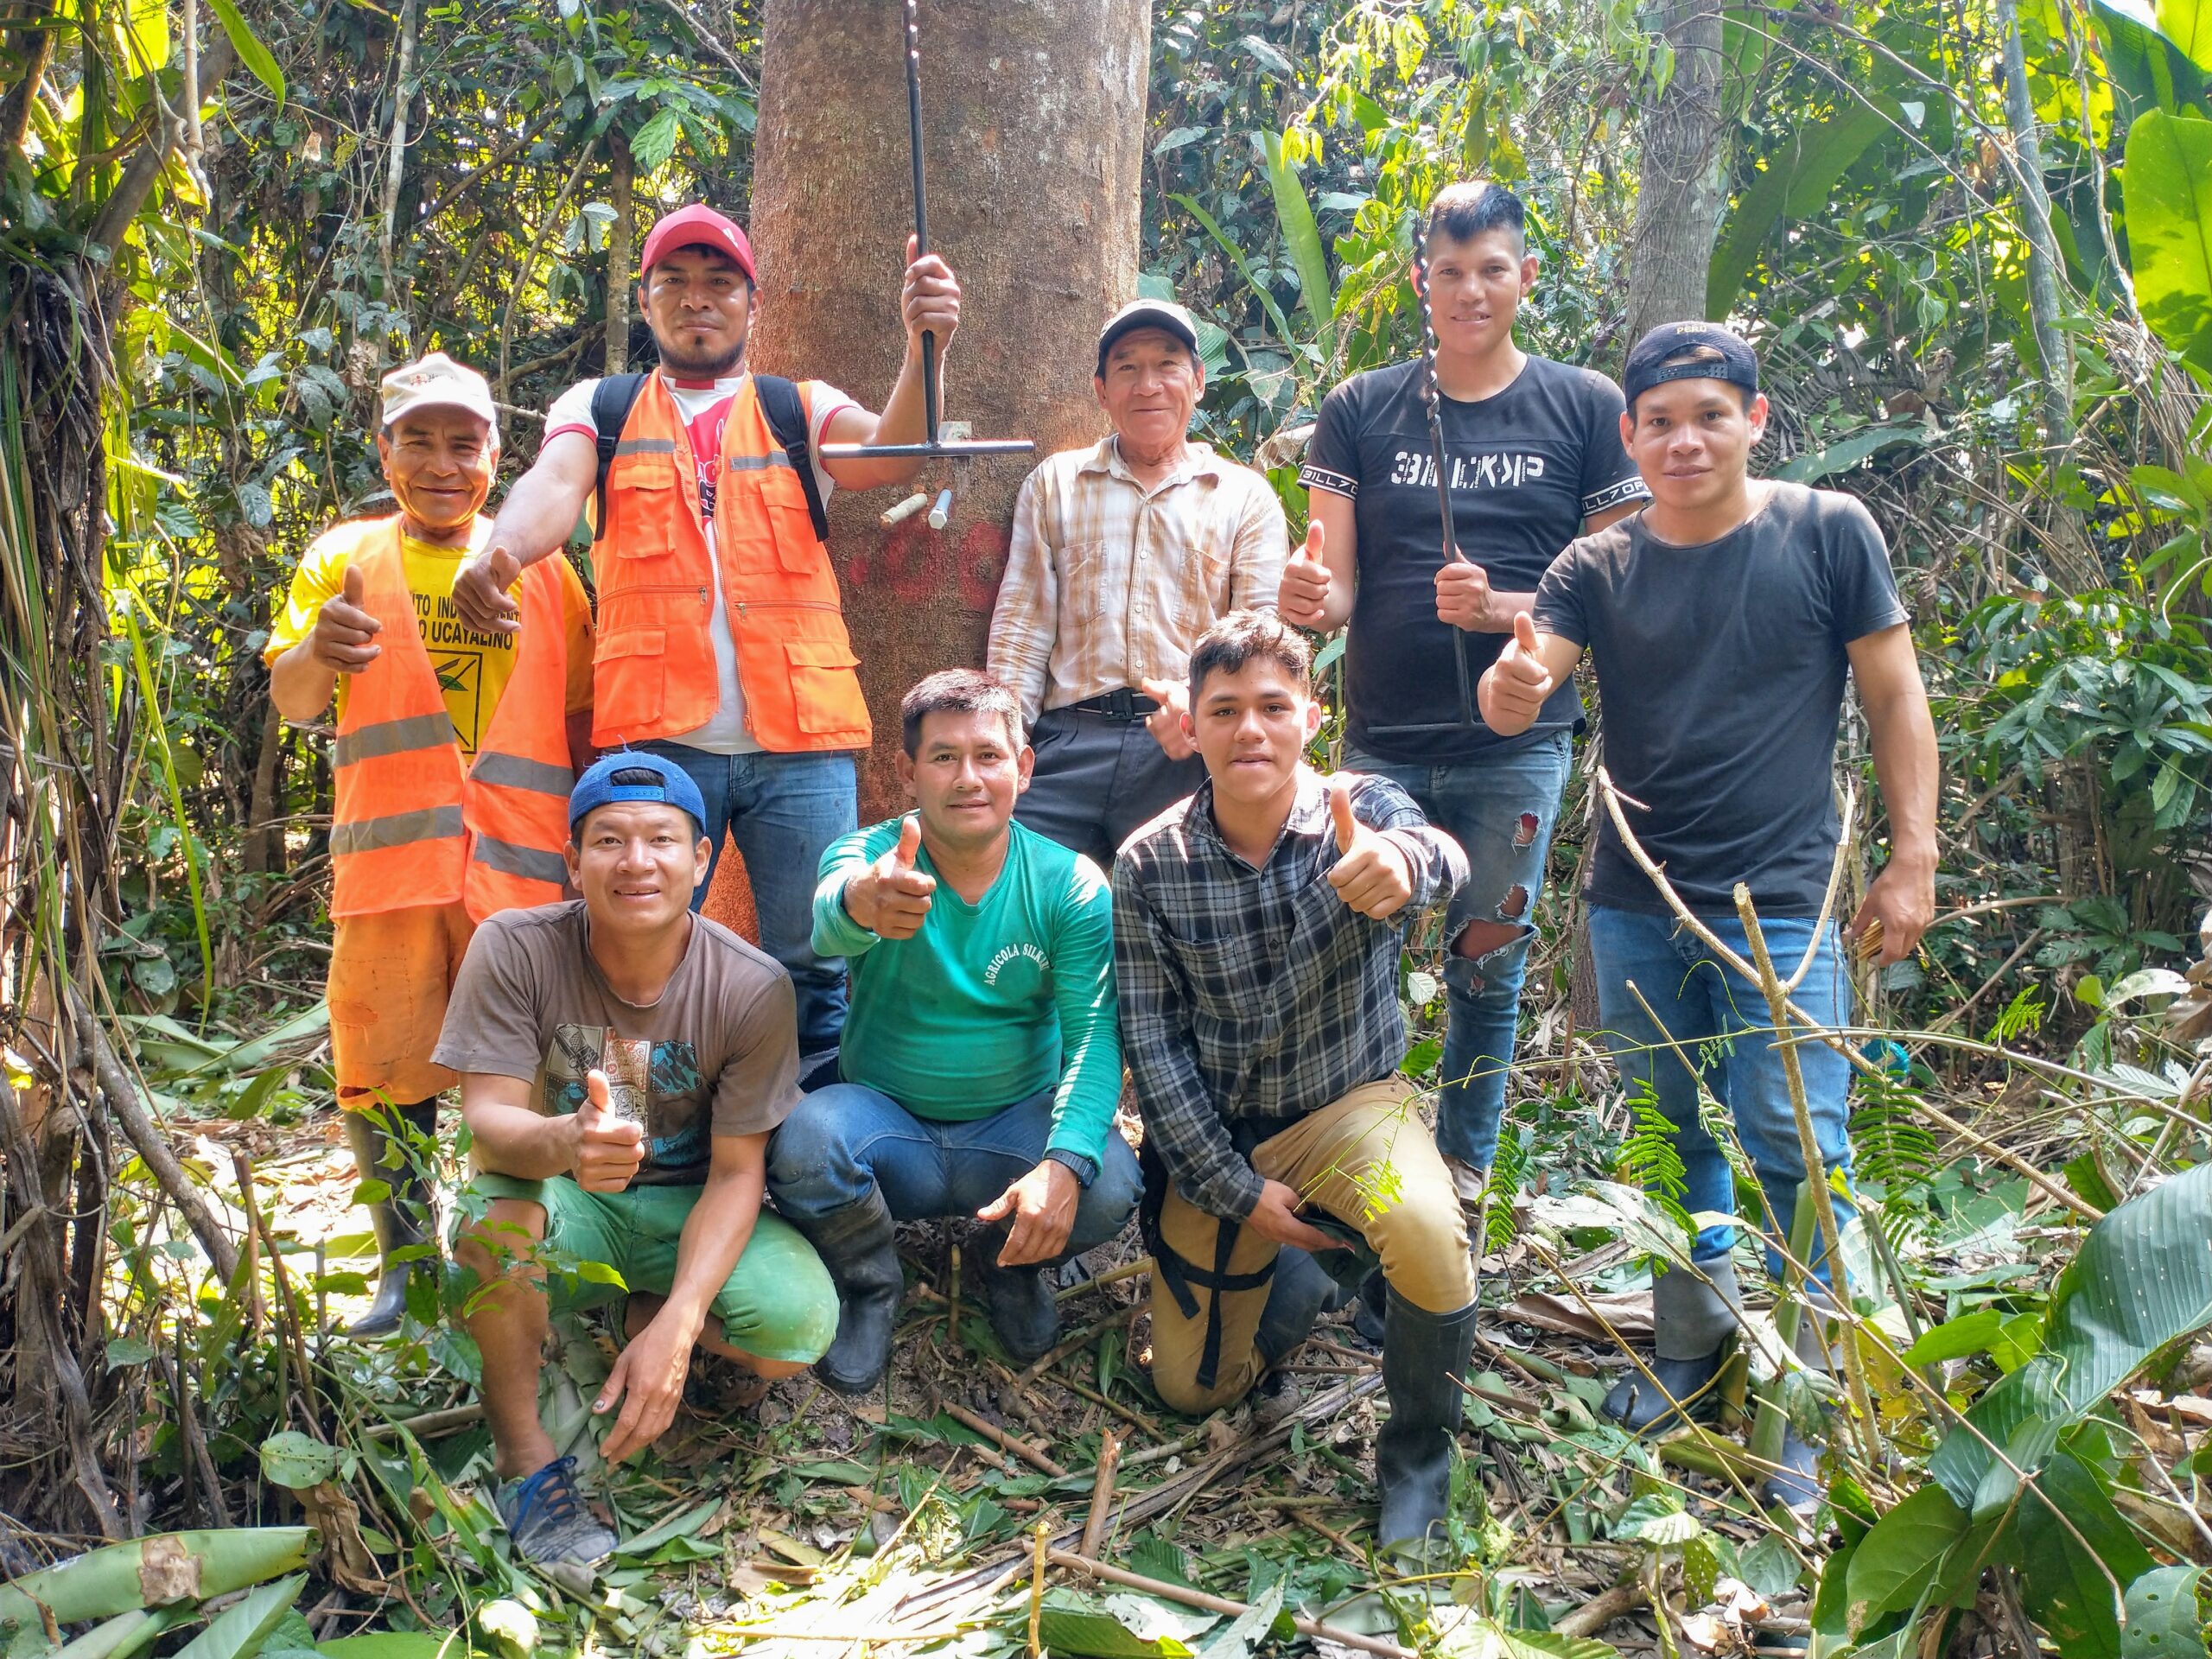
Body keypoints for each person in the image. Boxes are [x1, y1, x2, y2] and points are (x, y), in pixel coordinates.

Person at [1479, 321, 1938, 1508]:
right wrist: (1515, 678)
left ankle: (1806, 1395)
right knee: (1667, 1128)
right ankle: (1691, 1342)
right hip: (1638, 898)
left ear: (1754, 420)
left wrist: (1912, 858)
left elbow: (1894, 697)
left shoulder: (1828, 533)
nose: (1686, 440)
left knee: (1797, 1142)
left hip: (1780, 897)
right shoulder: (1598, 566)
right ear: (1629, 437)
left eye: (1709, 416)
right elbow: (1513, 692)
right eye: (1661, 422)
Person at [448, 202, 965, 1072]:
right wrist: (497, 552)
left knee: (815, 964)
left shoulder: (796, 406)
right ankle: (643, 1152)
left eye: (719, 283)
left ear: (751, 305)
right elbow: (553, 484)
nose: (697, 299)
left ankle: (805, 1160)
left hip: (797, 746)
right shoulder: (601, 408)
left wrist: (927, 346)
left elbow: (895, 454)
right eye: (673, 283)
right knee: (638, 950)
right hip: (656, 740)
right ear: (645, 304)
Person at [1281, 181, 1649, 1206]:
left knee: (1488, 964)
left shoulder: (1585, 409)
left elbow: (1616, 585)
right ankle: (1365, 1178)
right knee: (1355, 951)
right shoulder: (1361, 409)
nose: (1470, 290)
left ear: (1527, 276)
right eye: (1448, 271)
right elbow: (1335, 583)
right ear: (1419, 281)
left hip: (1516, 742)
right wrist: (1310, 593)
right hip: (1383, 741)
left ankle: (1463, 1181)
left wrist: (1501, 609)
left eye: (1492, 269)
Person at [1114, 612, 1475, 1553]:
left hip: (1347, 1109)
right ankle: (1303, 1277)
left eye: (1273, 706)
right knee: (1190, 1390)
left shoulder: (1361, 810)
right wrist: (1233, 1188)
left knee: (1430, 1236)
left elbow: (1440, 855)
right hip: (1224, 1134)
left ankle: (1416, 1464)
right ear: (1190, 726)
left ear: (1309, 716)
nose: (1251, 731)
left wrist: (1400, 864)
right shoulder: (1151, 862)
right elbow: (1151, 1044)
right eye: (1224, 709)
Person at [264, 352, 595, 1337]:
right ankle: (403, 1275)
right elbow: (292, 701)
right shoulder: (344, 557)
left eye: (464, 442)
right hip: (391, 870)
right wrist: (314, 650)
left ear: (497, 454)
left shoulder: (540, 564)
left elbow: (581, 720)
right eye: (420, 441)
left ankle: (529, 1260)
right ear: (386, 450)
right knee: (384, 1065)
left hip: (524, 867)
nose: (443, 463)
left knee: (546, 1066)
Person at [439, 752, 837, 1568]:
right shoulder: (513, 946)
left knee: (796, 1329)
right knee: (488, 1230)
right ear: (573, 860)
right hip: (564, 1198)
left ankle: (639, 1320)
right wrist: (566, 1143)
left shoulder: (752, 985)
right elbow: (486, 1122)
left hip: (685, 1207)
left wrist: (684, 1319)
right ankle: (526, 1459)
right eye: (610, 840)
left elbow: (736, 1172)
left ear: (701, 860)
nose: (637, 862)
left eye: (662, 839)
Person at [766, 670, 1140, 1395]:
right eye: (943, 757)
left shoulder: (1070, 885)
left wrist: (1062, 1165)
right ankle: (872, 1284)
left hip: (1014, 1130)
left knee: (1108, 1183)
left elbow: (1095, 1038)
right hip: (886, 1125)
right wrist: (865, 905)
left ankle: (1011, 1260)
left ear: (1023, 768)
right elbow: (829, 917)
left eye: (989, 756)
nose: (968, 778)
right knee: (804, 1149)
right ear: (907, 772)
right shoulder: (871, 855)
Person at [987, 297, 1288, 864]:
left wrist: (1202, 710)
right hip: (1066, 744)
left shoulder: (1243, 497)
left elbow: (1258, 645)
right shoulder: (1056, 484)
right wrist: (1002, 746)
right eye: (1127, 368)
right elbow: (1020, 636)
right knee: (1016, 892)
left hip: (1184, 747)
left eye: (1167, 364)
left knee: (1187, 917)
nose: (1148, 385)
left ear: (1197, 381)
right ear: (1102, 391)